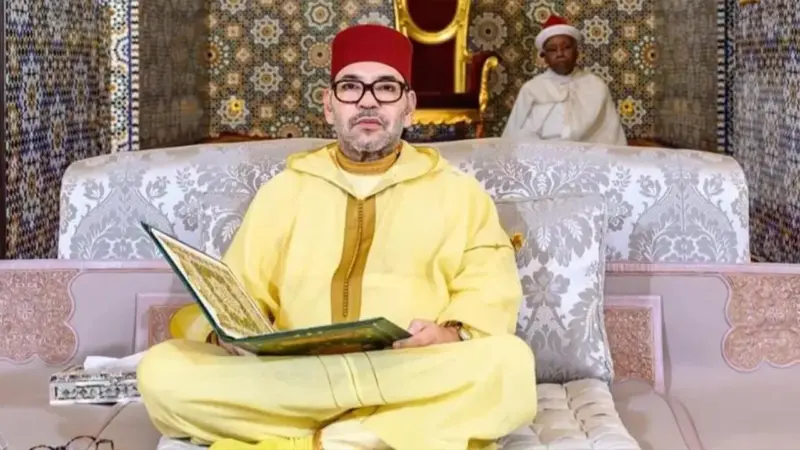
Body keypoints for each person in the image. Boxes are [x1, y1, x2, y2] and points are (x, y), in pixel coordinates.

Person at [136, 24, 537, 450]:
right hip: (296, 378)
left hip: (405, 371)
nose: (368, 101)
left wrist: (450, 334)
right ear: (329, 106)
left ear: (409, 107)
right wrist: (227, 336)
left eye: (386, 88)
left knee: (509, 365)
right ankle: (375, 436)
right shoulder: (284, 191)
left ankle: (314, 443)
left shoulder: (459, 194)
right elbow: (238, 293)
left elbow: (488, 290)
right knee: (162, 371)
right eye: (350, 87)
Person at [502, 15, 627, 146]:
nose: (560, 53)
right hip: (544, 155)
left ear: (577, 52)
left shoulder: (596, 86)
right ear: (544, 56)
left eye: (566, 47)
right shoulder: (531, 89)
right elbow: (516, 138)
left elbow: (611, 137)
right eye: (552, 49)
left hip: (588, 154)